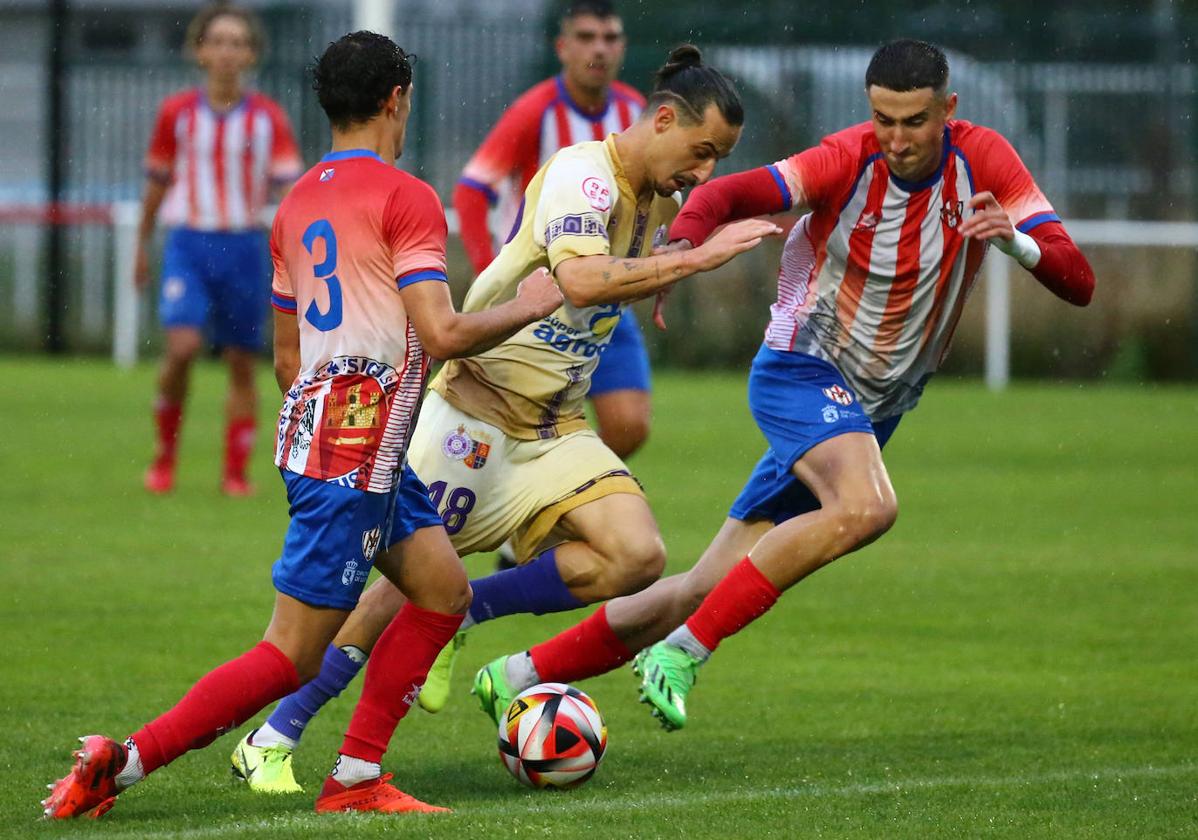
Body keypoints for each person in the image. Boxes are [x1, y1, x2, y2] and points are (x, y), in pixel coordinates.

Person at [470, 38, 1097, 731]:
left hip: (869, 408)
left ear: (947, 110)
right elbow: (729, 191)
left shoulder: (986, 161)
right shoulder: (844, 157)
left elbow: (1079, 281)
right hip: (803, 369)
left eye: (913, 121)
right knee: (867, 507)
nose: (895, 138)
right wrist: (683, 249)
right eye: (882, 118)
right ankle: (684, 653)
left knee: (704, 586)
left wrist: (1018, 242)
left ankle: (515, 672)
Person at [41, 30, 564, 820]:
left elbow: (288, 359)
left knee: (442, 591)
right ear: (398, 100)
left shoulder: (297, 202)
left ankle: (356, 778)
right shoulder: (406, 196)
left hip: (338, 444)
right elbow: (446, 332)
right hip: (353, 459)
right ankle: (123, 762)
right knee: (290, 655)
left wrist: (349, 423)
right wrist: (531, 302)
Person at [229, 45, 779, 794]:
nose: (704, 171)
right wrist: (695, 262)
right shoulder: (582, 175)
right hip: (473, 415)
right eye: (702, 151)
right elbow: (581, 280)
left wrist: (671, 260)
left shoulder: (658, 195)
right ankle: (274, 733)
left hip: (554, 428)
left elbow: (655, 245)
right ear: (660, 121)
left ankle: (467, 619)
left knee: (635, 556)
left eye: (717, 158)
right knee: (386, 594)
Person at [454, 0, 654, 462]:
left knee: (630, 425)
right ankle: (522, 504)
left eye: (609, 38)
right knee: (510, 426)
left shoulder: (634, 110)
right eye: (586, 37)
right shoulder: (534, 111)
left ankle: (554, 497)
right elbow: (470, 191)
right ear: (562, 47)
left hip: (605, 293)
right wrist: (495, 277)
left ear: (622, 46)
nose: (598, 49)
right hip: (541, 302)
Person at [138, 3, 302, 496]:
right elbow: (157, 183)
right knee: (183, 347)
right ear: (200, 51)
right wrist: (141, 244)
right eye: (219, 42)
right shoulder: (178, 113)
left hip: (245, 246)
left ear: (251, 54)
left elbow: (289, 194)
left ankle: (235, 472)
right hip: (189, 242)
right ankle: (164, 456)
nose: (228, 51)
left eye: (238, 43)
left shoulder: (268, 118)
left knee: (240, 359)